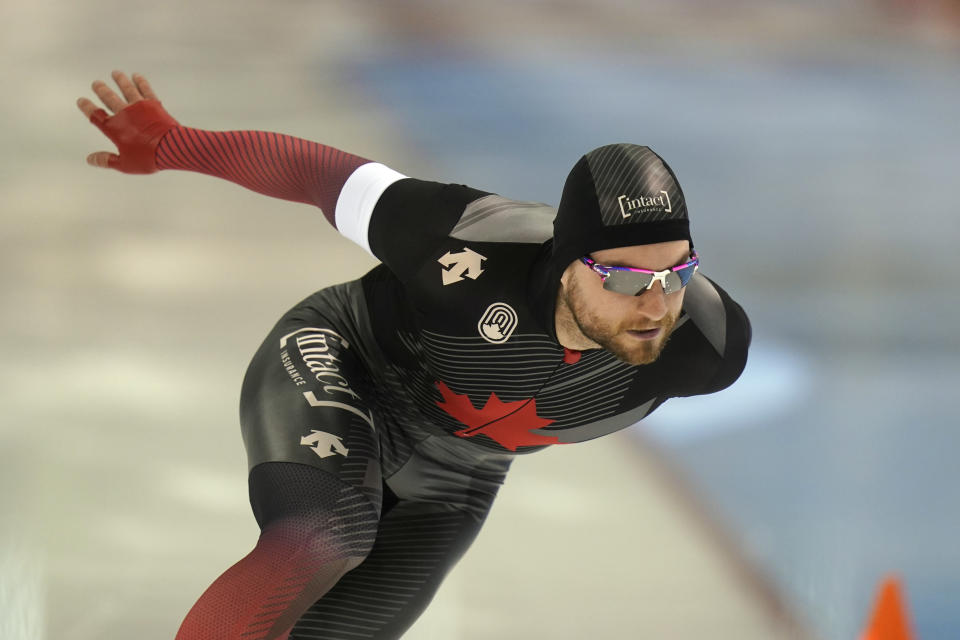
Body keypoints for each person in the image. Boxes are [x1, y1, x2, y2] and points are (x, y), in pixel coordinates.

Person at [77, 70, 751, 640]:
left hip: (459, 472)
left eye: (676, 272)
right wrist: (173, 142)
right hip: (348, 361)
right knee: (323, 537)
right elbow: (317, 174)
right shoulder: (470, 242)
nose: (656, 304)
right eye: (627, 277)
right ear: (567, 261)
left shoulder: (705, 348)